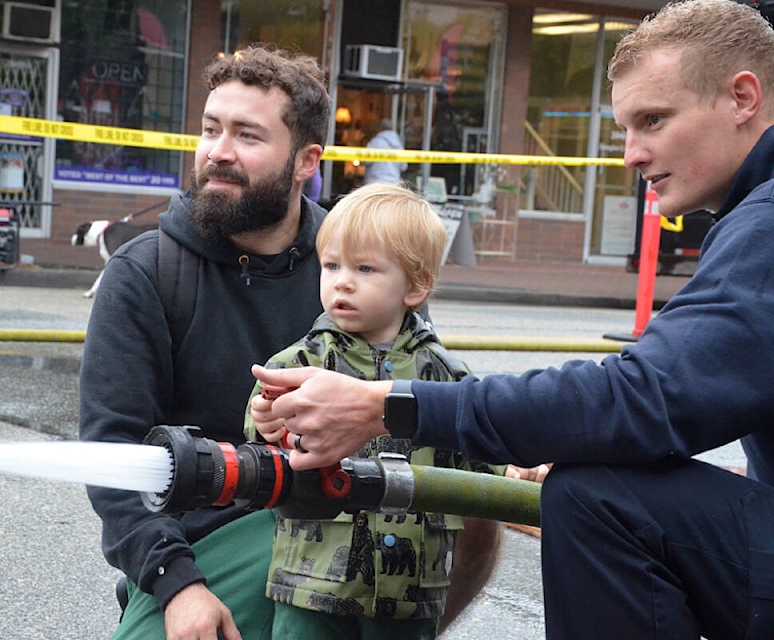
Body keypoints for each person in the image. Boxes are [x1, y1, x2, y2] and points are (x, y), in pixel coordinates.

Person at [251, 0, 774, 636]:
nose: (632, 155)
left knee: (596, 493)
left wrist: (388, 404)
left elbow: (646, 397)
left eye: (654, 120)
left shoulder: (764, 225)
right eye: (625, 130)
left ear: (743, 97)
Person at [79, 45, 502, 640]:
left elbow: (422, 405)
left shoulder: (367, 263)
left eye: (248, 136)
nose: (219, 153)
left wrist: (514, 459)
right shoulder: (146, 272)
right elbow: (113, 453)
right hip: (203, 547)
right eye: (210, 129)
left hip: (349, 514)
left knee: (477, 506)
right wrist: (177, 585)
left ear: (306, 160)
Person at [245, 182, 505, 639]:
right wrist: (266, 422)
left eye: (365, 268)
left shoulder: (446, 374)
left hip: (411, 590)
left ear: (417, 285)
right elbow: (261, 423)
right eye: (331, 265)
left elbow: (481, 453)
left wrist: (516, 465)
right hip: (313, 579)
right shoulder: (299, 363)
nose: (341, 280)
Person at [363, 118, 407, 185]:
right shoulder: (398, 144)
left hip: (376, 181)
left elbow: (366, 160)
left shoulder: (375, 142)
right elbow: (403, 166)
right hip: (394, 182)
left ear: (379, 129)